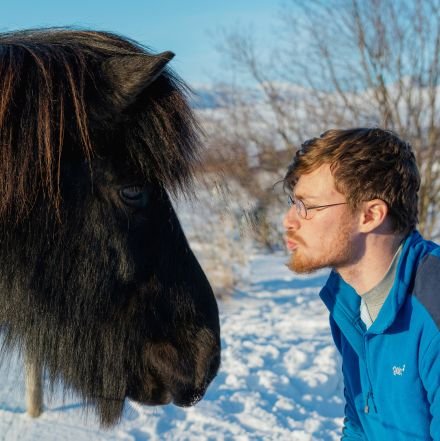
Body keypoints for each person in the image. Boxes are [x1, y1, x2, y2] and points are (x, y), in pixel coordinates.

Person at [282, 128, 439, 440]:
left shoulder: (433, 306)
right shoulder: (347, 300)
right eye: (293, 202)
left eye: (308, 206)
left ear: (370, 215)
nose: (289, 219)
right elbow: (359, 424)